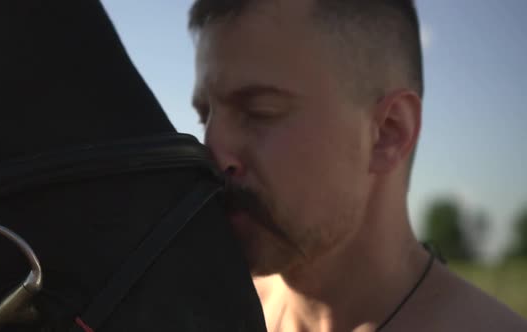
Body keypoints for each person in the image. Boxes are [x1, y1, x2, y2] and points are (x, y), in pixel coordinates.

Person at [187, 0, 527, 331]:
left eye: (259, 111)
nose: (211, 153)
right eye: (206, 117)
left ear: (388, 133)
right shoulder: (210, 316)